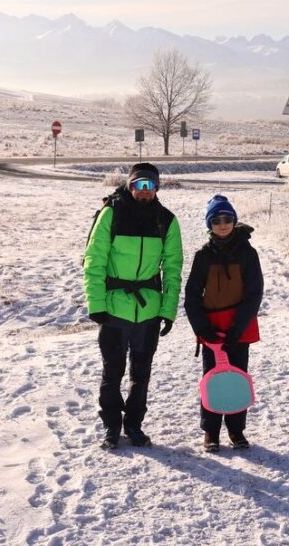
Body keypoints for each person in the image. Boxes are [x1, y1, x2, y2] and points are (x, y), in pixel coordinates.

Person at [84, 163, 182, 449]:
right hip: (114, 310)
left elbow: (173, 269)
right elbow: (94, 261)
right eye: (139, 185)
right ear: (129, 185)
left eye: (150, 186)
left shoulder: (166, 221)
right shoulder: (110, 215)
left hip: (149, 312)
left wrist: (167, 310)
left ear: (157, 188)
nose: (144, 192)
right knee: (112, 371)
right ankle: (112, 426)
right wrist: (96, 303)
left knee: (142, 374)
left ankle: (134, 426)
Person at [184, 195, 264, 453]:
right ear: (210, 224)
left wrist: (237, 329)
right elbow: (192, 296)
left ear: (234, 220)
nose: (222, 224)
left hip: (239, 327)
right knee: (213, 378)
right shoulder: (203, 256)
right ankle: (210, 431)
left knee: (237, 378)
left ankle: (236, 429)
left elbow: (254, 294)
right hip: (212, 329)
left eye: (227, 218)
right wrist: (202, 328)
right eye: (216, 220)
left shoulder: (248, 254)